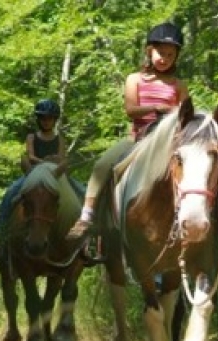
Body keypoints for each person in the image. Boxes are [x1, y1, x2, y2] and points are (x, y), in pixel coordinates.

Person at [65, 22, 189, 241]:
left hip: (170, 143)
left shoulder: (179, 85)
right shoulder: (135, 79)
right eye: (161, 52)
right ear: (149, 51)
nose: (164, 58)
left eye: (170, 54)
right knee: (102, 165)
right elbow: (131, 110)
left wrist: (175, 114)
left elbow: (186, 115)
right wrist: (156, 108)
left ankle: (217, 215)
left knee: (202, 164)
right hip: (139, 139)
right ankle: (87, 216)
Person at [0, 98, 65, 236]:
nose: (46, 121)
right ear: (38, 119)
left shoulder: (60, 139)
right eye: (43, 118)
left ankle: (87, 230)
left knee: (81, 190)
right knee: (12, 191)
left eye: (49, 118)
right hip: (34, 172)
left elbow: (61, 158)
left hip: (54, 174)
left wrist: (57, 163)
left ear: (54, 120)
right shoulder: (32, 137)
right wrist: (44, 162)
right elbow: (31, 156)